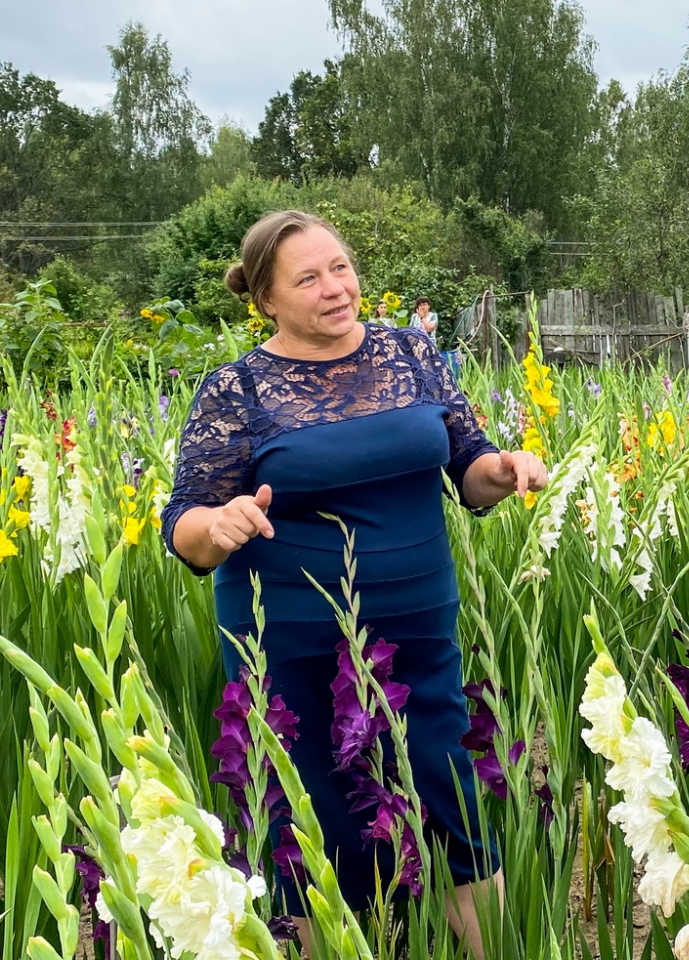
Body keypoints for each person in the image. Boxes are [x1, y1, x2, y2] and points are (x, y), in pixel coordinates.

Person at [161, 210, 547, 957]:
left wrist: (499, 471)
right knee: (313, 822)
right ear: (266, 299)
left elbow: (467, 462)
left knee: (449, 801)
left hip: (418, 636)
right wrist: (220, 525)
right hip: (292, 643)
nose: (336, 288)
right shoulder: (236, 390)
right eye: (308, 278)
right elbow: (185, 524)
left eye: (340, 267)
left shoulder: (413, 353)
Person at [411, 296, 462, 374]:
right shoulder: (414, 317)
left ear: (428, 306)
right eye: (420, 305)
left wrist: (422, 317)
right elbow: (411, 330)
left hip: (430, 345)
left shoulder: (433, 316)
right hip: (417, 346)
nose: (422, 307)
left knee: (430, 368)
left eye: (424, 304)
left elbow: (429, 328)